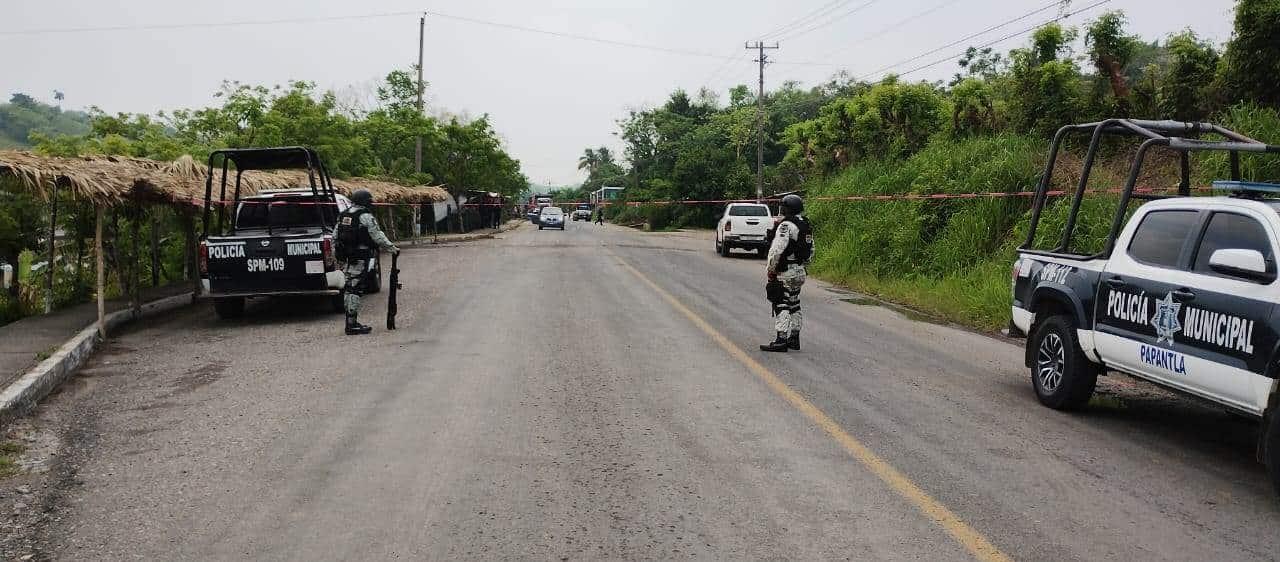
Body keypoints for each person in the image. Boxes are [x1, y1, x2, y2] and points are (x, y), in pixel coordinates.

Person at [336, 189, 399, 335]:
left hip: (347, 258)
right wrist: (393, 249)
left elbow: (335, 237)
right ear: (365, 202)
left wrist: (338, 257)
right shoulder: (364, 216)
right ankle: (351, 325)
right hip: (359, 257)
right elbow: (377, 236)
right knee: (355, 289)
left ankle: (350, 322)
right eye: (370, 201)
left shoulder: (343, 215)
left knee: (349, 288)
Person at [760, 194, 813, 352]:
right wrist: (802, 265)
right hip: (799, 270)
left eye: (783, 206)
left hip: (786, 271)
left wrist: (771, 269)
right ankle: (794, 338)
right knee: (794, 303)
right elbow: (811, 249)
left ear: (787, 208)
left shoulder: (786, 226)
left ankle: (781, 339)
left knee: (780, 303)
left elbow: (777, 250)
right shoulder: (805, 224)